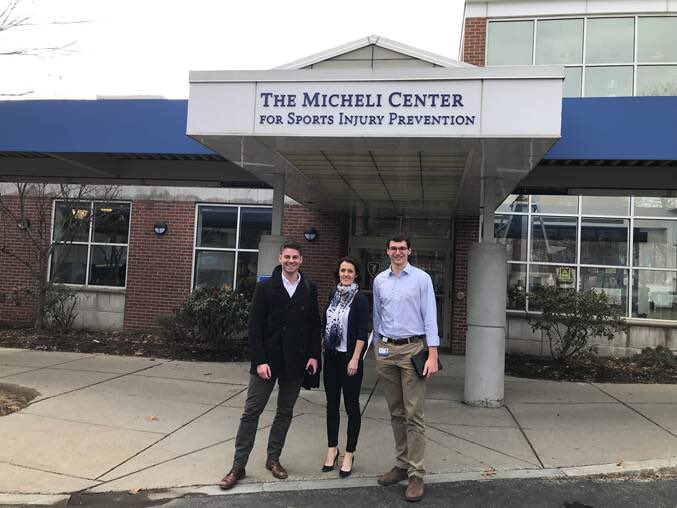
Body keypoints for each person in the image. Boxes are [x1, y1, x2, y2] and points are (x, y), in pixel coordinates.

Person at [219, 240, 321, 490]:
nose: (291, 261)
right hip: (268, 362)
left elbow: (314, 325)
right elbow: (254, 327)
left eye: (295, 257)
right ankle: (238, 466)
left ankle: (273, 459)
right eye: (287, 257)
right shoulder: (265, 288)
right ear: (280, 259)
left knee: (284, 413)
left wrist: (313, 355)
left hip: (295, 362)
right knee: (251, 413)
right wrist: (260, 360)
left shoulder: (309, 288)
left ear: (301, 260)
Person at [372, 235, 440, 502]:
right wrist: (377, 346)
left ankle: (416, 474)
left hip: (414, 349)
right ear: (387, 251)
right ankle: (401, 465)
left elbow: (430, 316)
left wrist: (432, 354)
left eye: (402, 248)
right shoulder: (379, 281)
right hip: (387, 350)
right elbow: (378, 315)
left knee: (414, 414)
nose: (397, 252)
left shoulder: (422, 279)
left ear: (410, 251)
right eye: (393, 248)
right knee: (396, 412)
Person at [321, 256, 369, 477]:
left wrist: (355, 359)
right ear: (338, 272)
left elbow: (362, 332)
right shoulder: (333, 294)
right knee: (332, 405)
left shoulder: (359, 299)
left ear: (356, 274)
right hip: (331, 358)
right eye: (343, 270)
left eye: (350, 271)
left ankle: (349, 452)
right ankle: (332, 449)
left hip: (350, 359)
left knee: (351, 406)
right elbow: (325, 323)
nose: (346, 274)